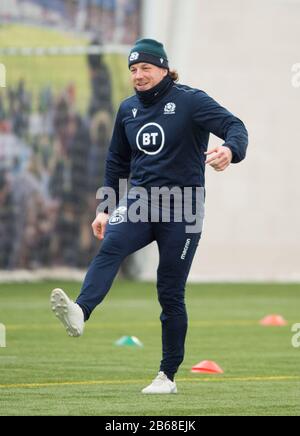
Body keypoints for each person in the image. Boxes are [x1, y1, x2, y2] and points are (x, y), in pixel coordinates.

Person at [51, 38, 248, 394]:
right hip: (141, 202)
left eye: (145, 68)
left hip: (184, 207)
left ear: (163, 68)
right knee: (111, 246)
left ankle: (166, 376)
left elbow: (236, 126)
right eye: (133, 69)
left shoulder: (191, 101)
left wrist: (230, 151)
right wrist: (105, 208)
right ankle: (80, 311)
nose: (138, 75)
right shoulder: (127, 110)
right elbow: (115, 161)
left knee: (169, 292)